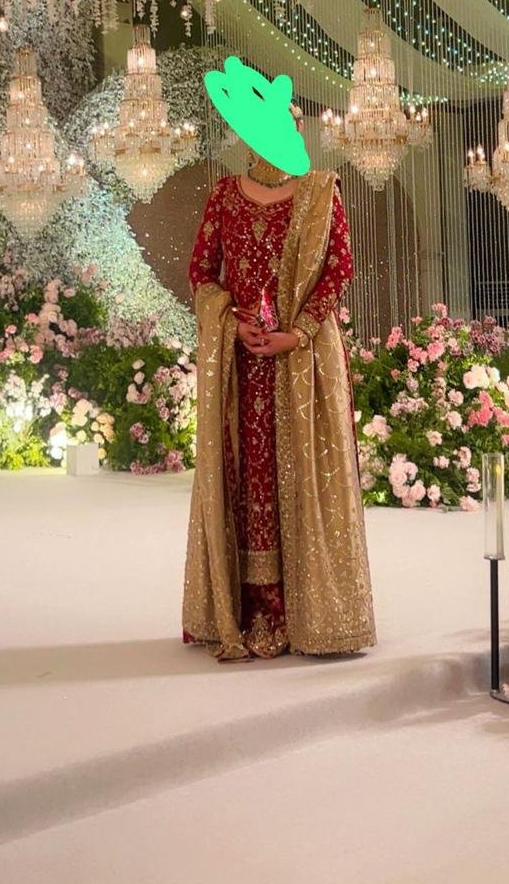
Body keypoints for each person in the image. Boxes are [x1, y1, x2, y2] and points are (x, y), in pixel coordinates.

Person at [182, 119, 376, 661]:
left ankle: (307, 613)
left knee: (301, 474)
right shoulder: (224, 195)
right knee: (247, 473)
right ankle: (244, 609)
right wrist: (231, 324)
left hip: (302, 364)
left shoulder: (320, 191)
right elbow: (202, 273)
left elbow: (338, 269)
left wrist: (300, 331)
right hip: (241, 367)